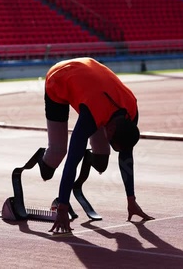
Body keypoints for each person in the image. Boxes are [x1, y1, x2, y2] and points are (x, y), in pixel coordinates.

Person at [37, 57, 154, 233]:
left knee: (101, 162)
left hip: (93, 86)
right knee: (58, 153)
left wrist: (131, 199)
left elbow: (126, 156)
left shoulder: (131, 110)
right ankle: (41, 159)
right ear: (112, 129)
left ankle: (72, 184)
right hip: (59, 78)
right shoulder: (91, 116)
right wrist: (62, 205)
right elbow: (72, 160)